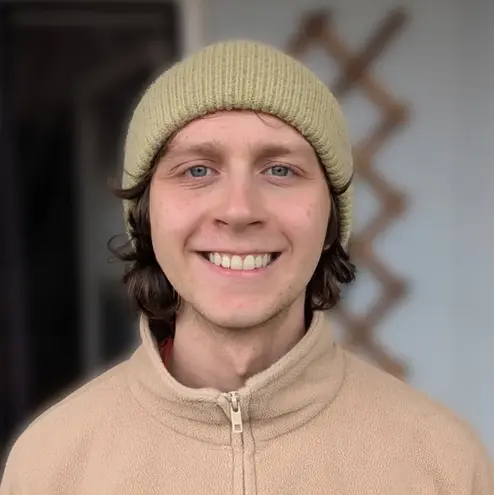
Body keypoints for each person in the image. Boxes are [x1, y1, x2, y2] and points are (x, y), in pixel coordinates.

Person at [1, 40, 492, 495]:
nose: (238, 210)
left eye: (280, 170)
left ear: (330, 216)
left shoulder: (445, 464)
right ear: (146, 214)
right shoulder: (50, 467)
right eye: (197, 170)